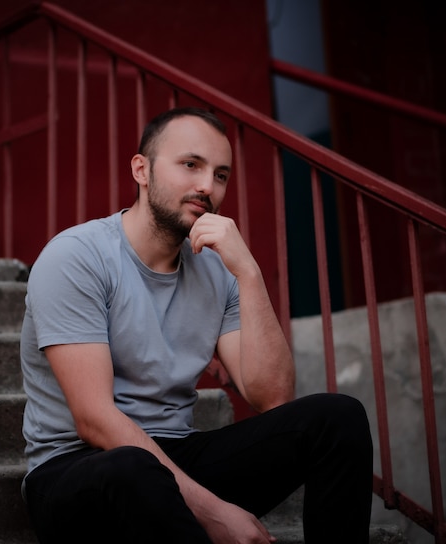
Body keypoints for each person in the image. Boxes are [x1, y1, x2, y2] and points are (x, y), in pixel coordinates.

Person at [20, 106, 373, 543]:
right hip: (81, 469)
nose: (208, 186)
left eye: (221, 175)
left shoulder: (218, 271)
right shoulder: (76, 257)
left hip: (176, 457)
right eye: (191, 165)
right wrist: (215, 512)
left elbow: (272, 396)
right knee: (133, 469)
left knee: (337, 417)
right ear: (141, 170)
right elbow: (94, 420)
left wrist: (248, 272)